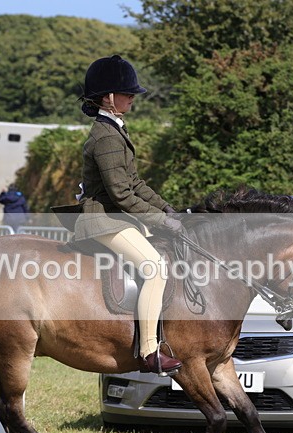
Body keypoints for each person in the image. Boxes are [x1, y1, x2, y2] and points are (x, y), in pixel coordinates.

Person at [73, 55, 183, 376]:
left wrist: (166, 208)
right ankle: (149, 351)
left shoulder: (116, 129)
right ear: (109, 97)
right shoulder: (106, 136)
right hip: (102, 220)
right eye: (127, 93)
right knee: (155, 268)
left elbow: (136, 183)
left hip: (117, 218)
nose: (133, 97)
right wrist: (162, 221)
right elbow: (121, 194)